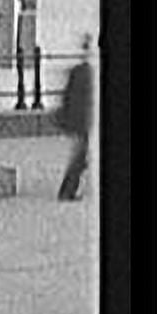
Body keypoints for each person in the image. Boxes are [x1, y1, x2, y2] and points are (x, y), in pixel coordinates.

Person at [57, 34, 95, 201]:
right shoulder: (88, 73)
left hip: (81, 121)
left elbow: (67, 98)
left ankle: (70, 189)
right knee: (81, 156)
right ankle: (68, 191)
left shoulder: (78, 71)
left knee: (81, 155)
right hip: (86, 122)